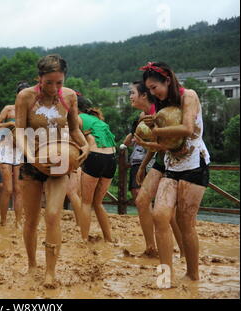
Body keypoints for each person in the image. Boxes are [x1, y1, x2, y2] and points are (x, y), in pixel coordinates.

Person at [15, 54, 89, 288]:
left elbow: (75, 129)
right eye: (49, 83)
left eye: (59, 82)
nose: (54, 88)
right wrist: (32, 158)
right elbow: (19, 131)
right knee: (32, 219)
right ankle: (31, 264)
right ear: (39, 78)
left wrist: (85, 145)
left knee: (53, 215)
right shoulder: (25, 97)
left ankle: (50, 272)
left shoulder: (68, 96)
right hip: (32, 161)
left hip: (59, 161)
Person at [135, 62, 210, 282]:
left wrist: (156, 129)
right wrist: (150, 134)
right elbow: (166, 144)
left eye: (154, 87)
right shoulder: (162, 104)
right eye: (148, 89)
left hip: (195, 165)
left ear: (167, 80)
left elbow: (187, 128)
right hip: (171, 166)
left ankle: (192, 275)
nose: (152, 93)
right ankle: (165, 275)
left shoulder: (189, 96)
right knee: (159, 216)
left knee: (186, 223)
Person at [128, 81, 184, 258]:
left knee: (168, 211)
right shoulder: (142, 115)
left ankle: (184, 252)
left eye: (132, 93)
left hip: (172, 160)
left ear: (144, 95)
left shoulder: (158, 112)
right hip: (158, 160)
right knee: (142, 200)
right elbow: (153, 147)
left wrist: (145, 156)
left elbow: (167, 144)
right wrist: (143, 166)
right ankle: (150, 248)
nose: (130, 96)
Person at [76, 95, 117, 243]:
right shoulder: (98, 120)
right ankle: (108, 238)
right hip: (112, 159)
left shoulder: (78, 118)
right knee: (98, 202)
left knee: (86, 202)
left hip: (96, 157)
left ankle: (84, 239)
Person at [0, 82, 30, 227]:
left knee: (19, 189)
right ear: (17, 95)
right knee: (7, 188)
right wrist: (8, 124)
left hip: (19, 151)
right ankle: (3, 220)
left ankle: (18, 221)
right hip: (5, 150)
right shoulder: (9, 109)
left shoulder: (31, 111)